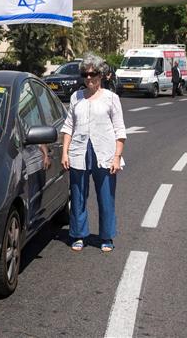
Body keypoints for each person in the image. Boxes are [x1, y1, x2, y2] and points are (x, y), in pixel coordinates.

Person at [61, 53, 127, 253]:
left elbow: (120, 130)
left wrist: (117, 157)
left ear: (101, 74)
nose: (89, 78)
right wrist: (65, 153)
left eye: (93, 74)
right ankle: (78, 234)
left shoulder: (111, 98)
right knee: (78, 195)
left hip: (104, 152)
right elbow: (68, 126)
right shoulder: (76, 97)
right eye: (85, 74)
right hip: (79, 152)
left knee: (105, 196)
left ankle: (106, 236)